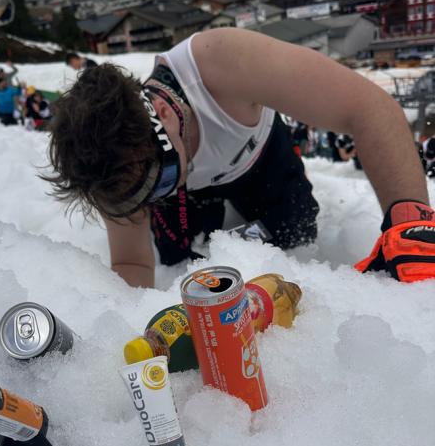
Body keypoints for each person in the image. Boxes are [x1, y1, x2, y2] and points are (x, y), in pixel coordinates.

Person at [47, 28, 435, 286]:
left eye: (161, 181)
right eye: (145, 199)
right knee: (181, 260)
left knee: (295, 229)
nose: (157, 199)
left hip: (260, 157)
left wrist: (409, 223)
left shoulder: (219, 64)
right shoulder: (121, 169)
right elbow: (132, 264)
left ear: (162, 114)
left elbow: (370, 108)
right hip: (195, 187)